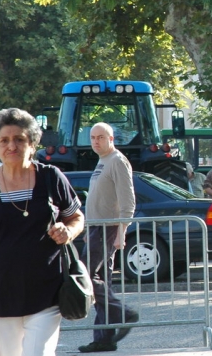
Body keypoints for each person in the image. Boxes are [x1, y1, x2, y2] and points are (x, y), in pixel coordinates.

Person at [0, 108, 84, 356]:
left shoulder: (51, 177)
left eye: (20, 139)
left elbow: (76, 217)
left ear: (32, 143)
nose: (12, 146)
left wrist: (68, 231)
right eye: (4, 140)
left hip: (46, 292)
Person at [79, 122, 138, 353]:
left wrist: (121, 233)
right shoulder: (102, 160)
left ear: (111, 139)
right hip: (96, 228)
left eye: (101, 137)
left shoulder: (117, 161)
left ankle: (124, 313)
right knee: (100, 280)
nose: (96, 141)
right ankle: (105, 338)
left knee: (86, 275)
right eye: (93, 137)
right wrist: (87, 230)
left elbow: (128, 202)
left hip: (108, 228)